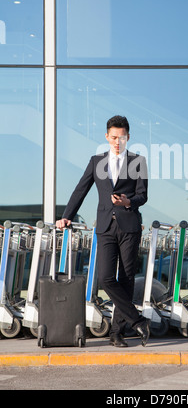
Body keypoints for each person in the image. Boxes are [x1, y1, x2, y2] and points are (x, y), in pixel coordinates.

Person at [56, 115, 150, 347]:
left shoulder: (139, 161)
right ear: (107, 137)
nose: (118, 141)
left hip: (129, 226)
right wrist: (66, 215)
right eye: (114, 137)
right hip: (105, 227)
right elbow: (81, 189)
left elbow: (143, 195)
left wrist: (127, 201)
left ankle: (116, 333)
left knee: (126, 279)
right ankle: (138, 320)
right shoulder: (96, 161)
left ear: (129, 137)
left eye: (122, 137)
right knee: (105, 278)